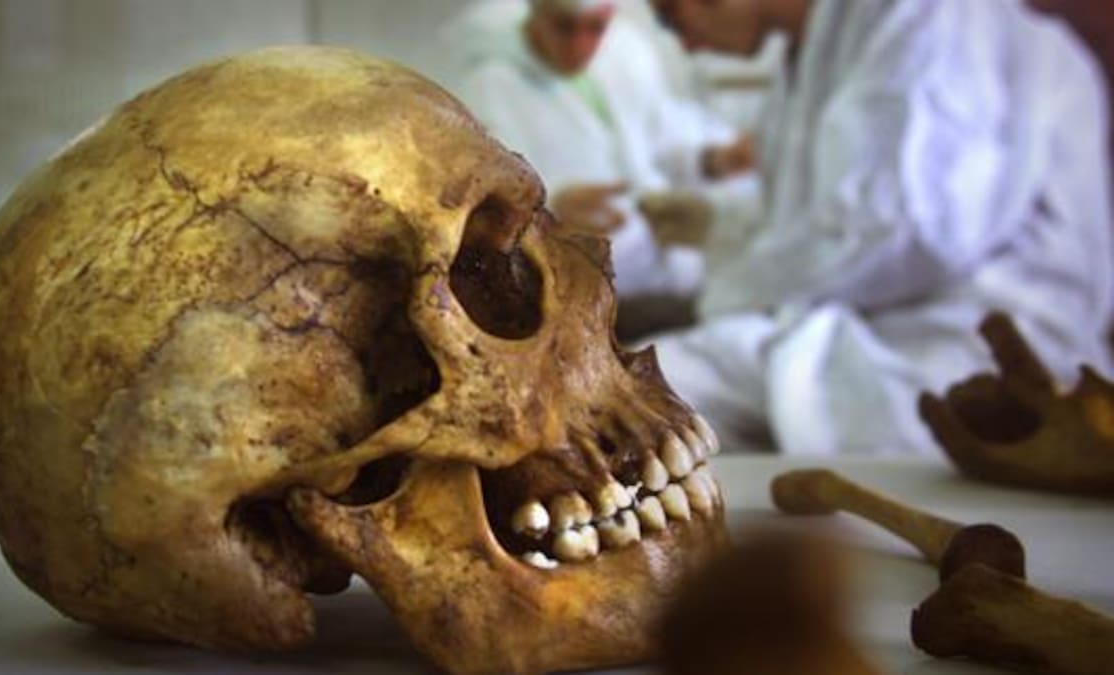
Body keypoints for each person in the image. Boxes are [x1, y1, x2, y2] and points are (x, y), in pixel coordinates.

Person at [643, 0, 1114, 455]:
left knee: (639, 401)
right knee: (650, 396)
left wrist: (729, 293)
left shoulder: (925, 14)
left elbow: (905, 232)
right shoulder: (814, 48)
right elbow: (822, 214)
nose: (683, 43)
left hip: (957, 352)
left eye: (670, 14)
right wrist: (721, 225)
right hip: (869, 329)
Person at [444, 0, 745, 334]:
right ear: (536, 13)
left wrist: (711, 160)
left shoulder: (625, 56)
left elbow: (658, 138)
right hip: (581, 294)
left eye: (595, 28)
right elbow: (484, 197)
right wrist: (552, 205)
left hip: (668, 270)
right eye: (564, 27)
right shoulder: (492, 86)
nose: (580, 46)